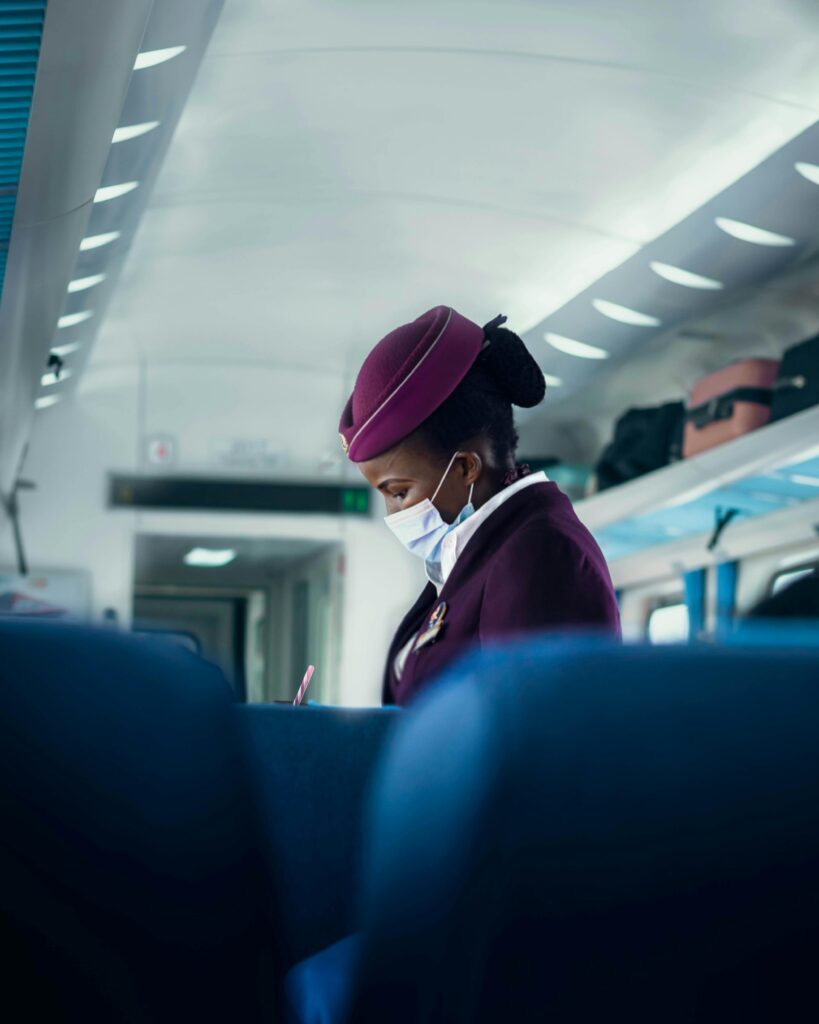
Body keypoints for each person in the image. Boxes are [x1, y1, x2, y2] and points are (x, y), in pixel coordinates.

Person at [338, 305, 620, 705]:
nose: (393, 514)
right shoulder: (476, 556)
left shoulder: (537, 554)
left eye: (398, 492)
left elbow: (535, 741)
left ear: (466, 467)